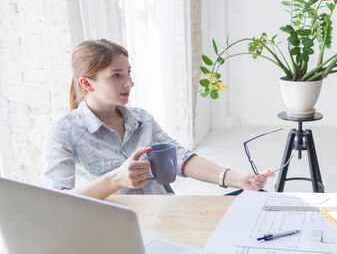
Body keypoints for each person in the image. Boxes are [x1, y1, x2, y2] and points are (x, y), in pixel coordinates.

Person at [44, 39, 269, 199]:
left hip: (164, 214)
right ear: (87, 83)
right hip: (115, 228)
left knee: (256, 200)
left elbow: (180, 158)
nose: (129, 82)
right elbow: (58, 201)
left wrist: (237, 178)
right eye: (116, 75)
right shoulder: (64, 131)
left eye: (128, 72)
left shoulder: (142, 119)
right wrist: (115, 180)